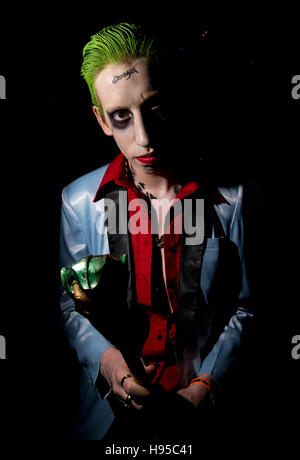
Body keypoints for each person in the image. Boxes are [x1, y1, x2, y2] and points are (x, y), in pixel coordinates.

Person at [59, 22, 254, 441]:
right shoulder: (78, 202)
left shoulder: (232, 200)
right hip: (110, 424)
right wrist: (109, 363)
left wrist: (207, 386)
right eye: (121, 117)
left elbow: (248, 308)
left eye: (155, 107)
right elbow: (69, 305)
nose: (144, 137)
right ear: (101, 120)